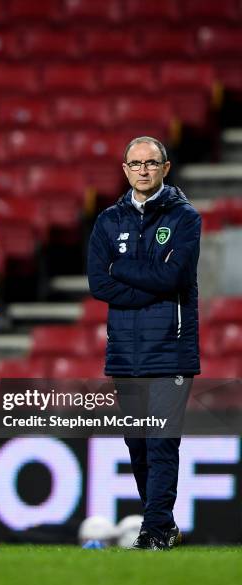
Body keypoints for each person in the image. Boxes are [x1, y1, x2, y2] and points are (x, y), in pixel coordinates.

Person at [87, 136, 201, 550]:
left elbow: (172, 279)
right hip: (124, 352)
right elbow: (98, 283)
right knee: (137, 446)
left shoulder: (186, 218)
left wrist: (122, 269)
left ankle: (153, 530)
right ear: (125, 169)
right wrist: (147, 281)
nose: (143, 170)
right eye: (135, 164)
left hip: (170, 349)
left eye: (151, 163)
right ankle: (163, 525)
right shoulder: (107, 220)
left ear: (165, 168)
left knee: (161, 442)